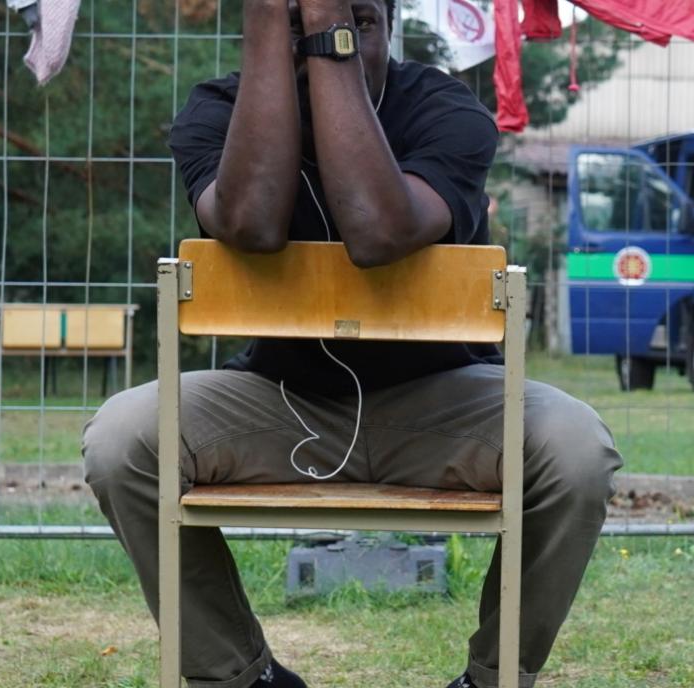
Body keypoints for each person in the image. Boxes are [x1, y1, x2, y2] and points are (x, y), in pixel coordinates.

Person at [80, 1, 624, 687]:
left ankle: (492, 680)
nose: (328, 41)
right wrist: (269, 26)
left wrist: (323, 30)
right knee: (123, 439)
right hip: (285, 403)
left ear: (391, 26)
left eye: (358, 19)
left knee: (577, 449)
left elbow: (377, 230)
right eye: (296, 23)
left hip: (446, 404)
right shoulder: (217, 108)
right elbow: (247, 223)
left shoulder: (444, 109)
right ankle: (242, 679)